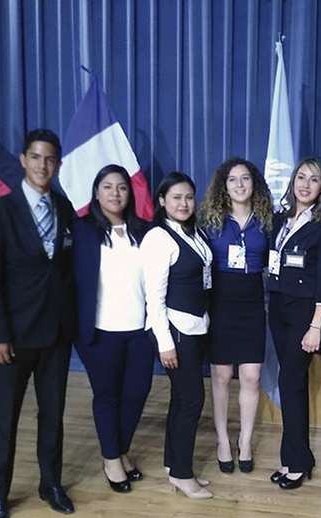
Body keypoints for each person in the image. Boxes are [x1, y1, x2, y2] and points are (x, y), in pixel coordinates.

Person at [0, 129, 77, 518]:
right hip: (14, 337)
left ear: (58, 164)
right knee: (5, 418)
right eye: (35, 157)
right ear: (23, 160)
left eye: (50, 159)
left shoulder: (64, 208)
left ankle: (50, 484)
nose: (42, 165)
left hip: (57, 333)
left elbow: (66, 271)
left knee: (52, 415)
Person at [72, 164, 153, 494]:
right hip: (100, 331)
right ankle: (111, 459)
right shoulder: (81, 231)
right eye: (107, 187)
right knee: (108, 396)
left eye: (121, 187)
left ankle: (120, 450)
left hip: (139, 330)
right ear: (96, 192)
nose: (115, 193)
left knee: (136, 393)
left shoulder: (144, 231)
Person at [267, 157, 321, 490]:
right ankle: (294, 458)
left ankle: (297, 462)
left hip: (304, 314)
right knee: (291, 384)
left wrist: (315, 326)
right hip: (278, 308)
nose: (305, 184)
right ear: (292, 181)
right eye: (301, 177)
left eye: (314, 179)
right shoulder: (280, 219)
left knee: (290, 382)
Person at [198, 158, 273, 474]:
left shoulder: (267, 221)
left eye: (245, 178)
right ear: (223, 186)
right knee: (222, 377)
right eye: (232, 179)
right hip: (221, 304)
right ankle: (223, 442)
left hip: (253, 305)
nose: (239, 185)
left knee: (252, 377)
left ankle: (245, 441)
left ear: (254, 184)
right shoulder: (209, 221)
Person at [142, 172, 214, 500]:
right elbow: (154, 298)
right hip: (174, 329)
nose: (184, 203)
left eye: (188, 197)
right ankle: (184, 475)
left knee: (181, 399)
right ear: (162, 201)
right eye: (176, 197)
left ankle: (174, 465)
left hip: (196, 326)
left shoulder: (194, 232)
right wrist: (165, 343)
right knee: (193, 400)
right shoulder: (158, 238)